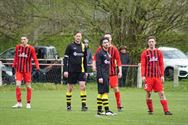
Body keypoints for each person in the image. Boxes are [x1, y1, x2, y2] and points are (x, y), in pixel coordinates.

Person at [141, 36, 172, 115]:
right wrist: (143, 75)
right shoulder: (145, 53)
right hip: (148, 77)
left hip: (157, 77)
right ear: (148, 43)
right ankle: (150, 110)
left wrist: (162, 75)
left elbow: (161, 64)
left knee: (161, 93)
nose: (151, 43)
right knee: (148, 94)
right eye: (150, 42)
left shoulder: (159, 52)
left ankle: (166, 111)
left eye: (152, 41)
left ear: (155, 42)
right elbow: (143, 65)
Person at [93, 33, 123, 112]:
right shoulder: (100, 50)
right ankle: (104, 109)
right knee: (103, 91)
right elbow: (95, 59)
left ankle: (119, 105)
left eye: (108, 38)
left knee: (116, 89)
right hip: (103, 74)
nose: (107, 41)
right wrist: (93, 66)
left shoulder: (114, 49)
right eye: (106, 39)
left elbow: (118, 60)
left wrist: (120, 71)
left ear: (111, 39)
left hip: (112, 73)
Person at [12, 36, 40, 109]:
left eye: (24, 39)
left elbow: (35, 59)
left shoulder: (31, 48)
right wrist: (13, 66)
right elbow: (15, 57)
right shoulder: (18, 47)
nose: (23, 41)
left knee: (28, 86)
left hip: (27, 70)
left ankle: (28, 103)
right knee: (18, 85)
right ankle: (19, 102)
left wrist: (37, 68)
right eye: (21, 39)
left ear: (27, 40)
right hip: (19, 70)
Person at [63, 31, 88, 111]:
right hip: (71, 70)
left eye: (79, 36)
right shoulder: (70, 46)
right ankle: (68, 105)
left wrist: (86, 71)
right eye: (77, 36)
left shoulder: (84, 46)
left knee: (83, 87)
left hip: (81, 70)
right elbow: (65, 59)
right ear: (74, 37)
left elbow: (85, 61)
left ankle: (84, 106)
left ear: (81, 37)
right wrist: (65, 70)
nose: (78, 37)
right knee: (70, 88)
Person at [96, 37, 115, 116]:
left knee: (101, 93)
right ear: (102, 44)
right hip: (102, 75)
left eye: (107, 42)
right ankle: (107, 110)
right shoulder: (100, 53)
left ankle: (99, 110)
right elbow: (98, 66)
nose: (106, 43)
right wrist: (100, 77)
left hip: (106, 75)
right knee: (105, 92)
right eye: (104, 42)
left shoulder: (107, 53)